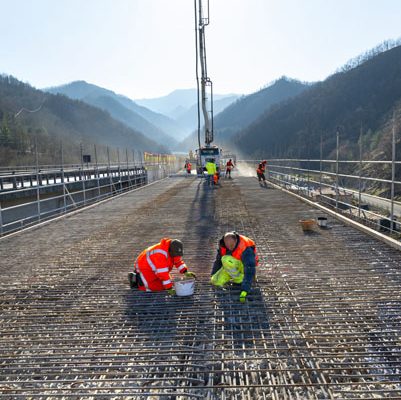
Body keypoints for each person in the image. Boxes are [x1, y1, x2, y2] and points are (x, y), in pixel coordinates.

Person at [128, 238, 196, 294]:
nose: (176, 255)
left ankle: (143, 279)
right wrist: (169, 288)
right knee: (154, 288)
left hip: (155, 268)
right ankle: (136, 279)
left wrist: (185, 271)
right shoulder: (160, 254)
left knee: (167, 282)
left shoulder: (173, 250)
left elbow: (178, 261)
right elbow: (163, 274)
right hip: (145, 268)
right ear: (169, 251)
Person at [210, 232, 259, 303]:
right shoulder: (223, 245)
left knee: (226, 259)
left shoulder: (246, 248)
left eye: (232, 245)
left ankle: (240, 280)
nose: (230, 248)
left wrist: (245, 290)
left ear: (236, 240)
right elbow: (218, 261)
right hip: (231, 265)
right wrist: (213, 274)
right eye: (228, 246)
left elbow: (250, 268)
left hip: (244, 267)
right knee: (215, 280)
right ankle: (237, 277)